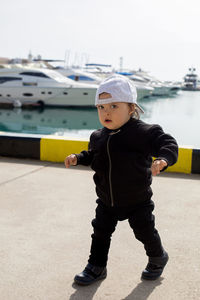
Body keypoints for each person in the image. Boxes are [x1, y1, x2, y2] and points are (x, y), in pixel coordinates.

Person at [65, 75, 178, 285]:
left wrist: (163, 158)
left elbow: (167, 143)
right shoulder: (98, 136)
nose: (106, 112)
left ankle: (157, 257)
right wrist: (79, 158)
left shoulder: (144, 132)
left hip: (137, 201)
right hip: (107, 201)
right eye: (101, 107)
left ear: (131, 107)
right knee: (100, 233)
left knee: (144, 232)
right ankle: (96, 267)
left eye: (114, 106)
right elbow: (92, 155)